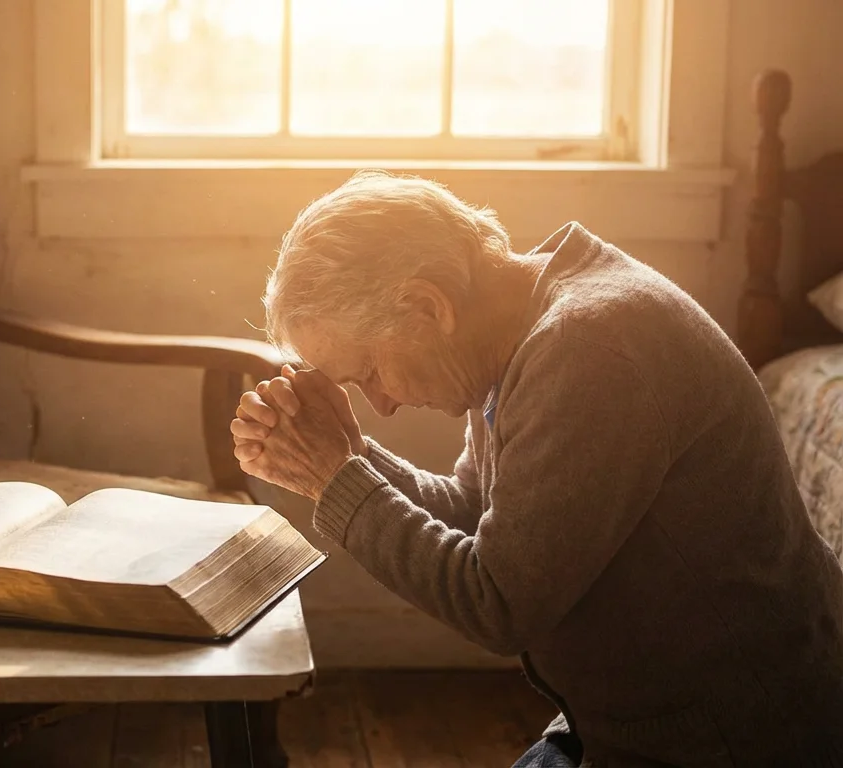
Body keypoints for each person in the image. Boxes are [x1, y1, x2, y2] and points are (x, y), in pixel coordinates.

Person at [230, 171, 843, 767]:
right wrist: (347, 454)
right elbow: (478, 512)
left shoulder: (591, 349)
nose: (382, 403)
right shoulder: (514, 326)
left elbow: (498, 601)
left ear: (426, 304)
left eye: (368, 373)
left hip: (734, 737)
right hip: (622, 722)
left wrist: (333, 477)